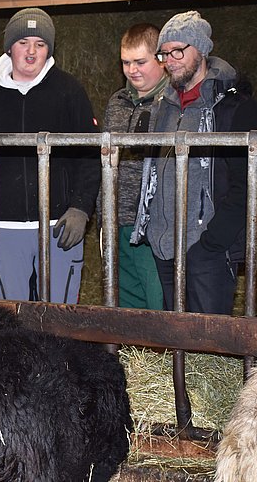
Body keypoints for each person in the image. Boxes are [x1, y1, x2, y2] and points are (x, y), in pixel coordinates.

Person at [132, 10, 257, 315]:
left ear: (202, 49)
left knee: (208, 341)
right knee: (176, 340)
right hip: (164, 245)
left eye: (178, 51)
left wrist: (212, 244)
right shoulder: (164, 107)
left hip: (206, 249)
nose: (170, 60)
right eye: (164, 53)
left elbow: (249, 184)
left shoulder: (235, 108)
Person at [0, 7, 100, 303]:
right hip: (4, 226)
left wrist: (81, 208)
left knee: (60, 314)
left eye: (40, 44)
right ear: (9, 47)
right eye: (23, 43)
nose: (31, 52)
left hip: (59, 225)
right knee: (11, 314)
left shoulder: (69, 91)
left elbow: (90, 154)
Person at [101, 22, 169, 310]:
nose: (132, 70)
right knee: (123, 290)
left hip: (154, 220)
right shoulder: (116, 101)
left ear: (161, 59)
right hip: (116, 214)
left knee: (156, 292)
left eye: (141, 61)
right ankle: (132, 353)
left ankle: (162, 352)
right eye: (126, 62)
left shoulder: (172, 103)